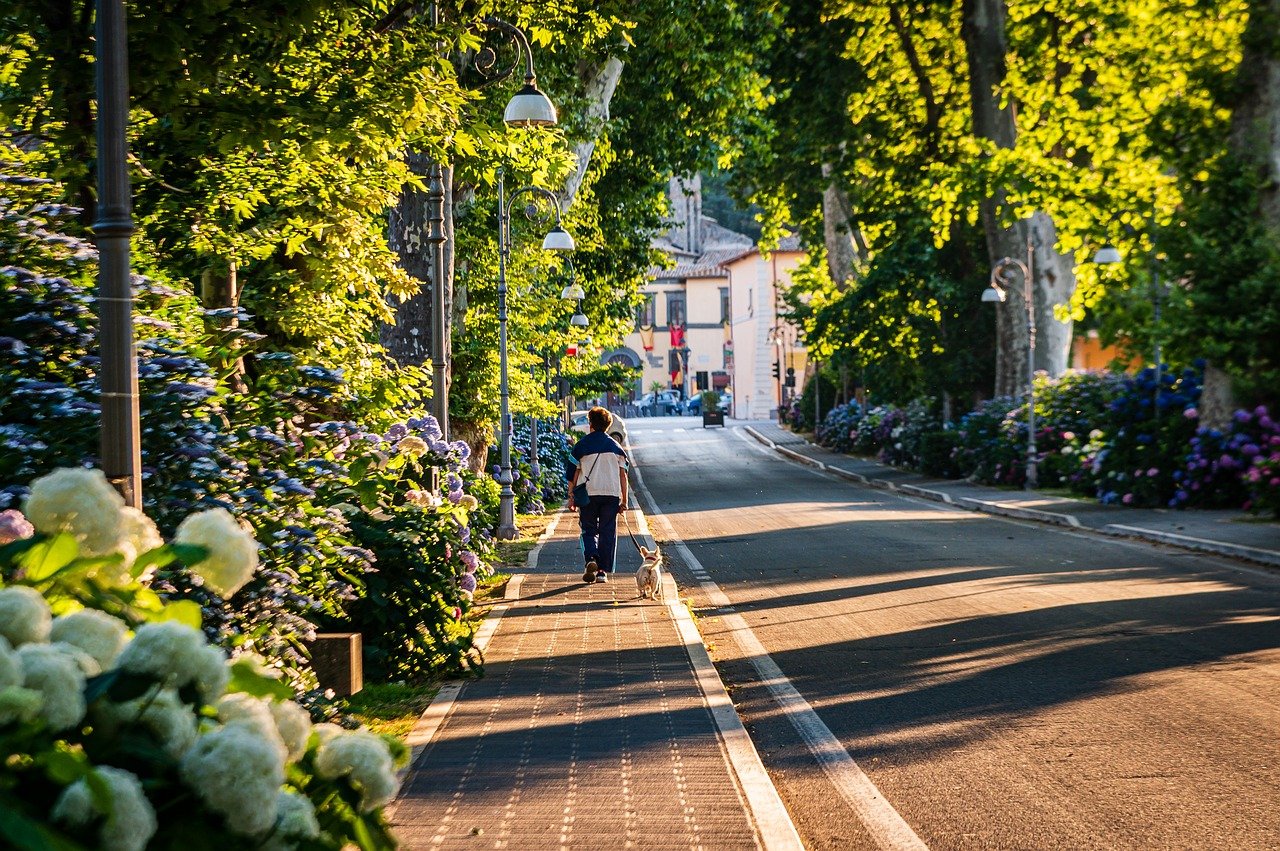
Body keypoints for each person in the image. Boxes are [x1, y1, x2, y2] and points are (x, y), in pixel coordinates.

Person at [568, 406, 629, 583]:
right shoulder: (616, 448)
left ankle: (591, 558)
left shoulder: (581, 446)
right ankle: (602, 571)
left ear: (590, 424)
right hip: (610, 495)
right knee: (607, 531)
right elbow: (623, 475)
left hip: (588, 495)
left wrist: (571, 497)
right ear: (608, 425)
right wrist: (624, 500)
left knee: (588, 529)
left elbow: (573, 474)